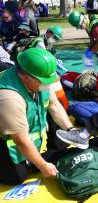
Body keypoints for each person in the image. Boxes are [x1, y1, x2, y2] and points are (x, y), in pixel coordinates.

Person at [0, 48, 76, 185]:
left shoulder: (39, 81)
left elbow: (54, 106)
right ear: (25, 77)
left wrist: (71, 130)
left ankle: (35, 157)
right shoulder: (9, 97)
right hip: (8, 135)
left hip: (19, 127)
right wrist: (42, 165)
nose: (49, 84)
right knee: (17, 177)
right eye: (45, 81)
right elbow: (20, 140)